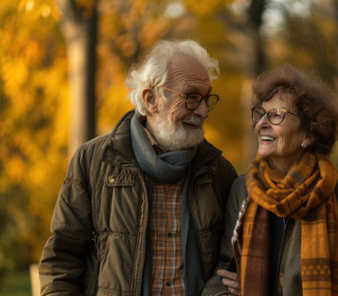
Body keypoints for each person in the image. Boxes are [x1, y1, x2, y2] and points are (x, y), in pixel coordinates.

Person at [39, 39, 237, 295]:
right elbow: (61, 262)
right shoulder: (93, 162)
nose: (203, 111)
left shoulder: (219, 172)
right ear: (151, 99)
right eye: (191, 97)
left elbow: (230, 264)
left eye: (206, 98)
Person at [202, 64, 338, 295]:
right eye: (260, 114)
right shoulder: (243, 190)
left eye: (276, 115)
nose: (261, 124)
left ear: (309, 134)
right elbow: (223, 273)